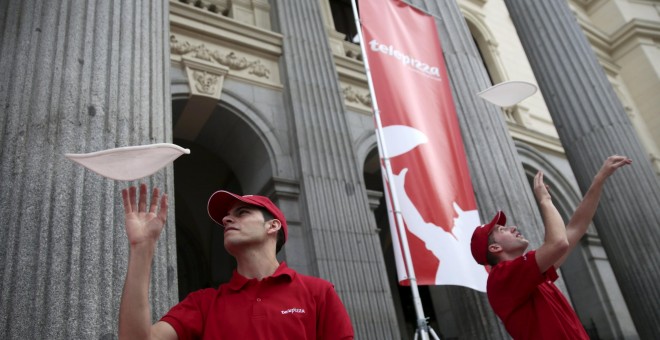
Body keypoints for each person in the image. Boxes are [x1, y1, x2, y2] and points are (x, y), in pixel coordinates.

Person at [118, 185, 354, 339]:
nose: (227, 218)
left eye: (242, 213)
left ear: (272, 226)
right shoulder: (203, 304)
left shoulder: (318, 293)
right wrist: (142, 248)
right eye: (228, 216)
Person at [470, 155, 632, 340]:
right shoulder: (501, 278)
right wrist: (545, 200)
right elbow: (559, 243)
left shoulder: (527, 274)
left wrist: (599, 179)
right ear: (495, 248)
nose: (512, 227)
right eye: (502, 229)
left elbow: (577, 227)